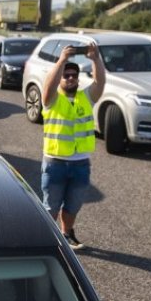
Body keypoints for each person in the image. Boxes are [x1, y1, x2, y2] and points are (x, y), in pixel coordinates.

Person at [39, 43, 106, 250]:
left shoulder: (85, 98)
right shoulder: (52, 99)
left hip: (80, 164)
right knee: (51, 206)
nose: (70, 78)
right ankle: (48, 238)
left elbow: (100, 82)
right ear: (60, 77)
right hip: (55, 162)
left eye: (73, 76)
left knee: (73, 205)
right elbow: (47, 88)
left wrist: (95, 59)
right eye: (66, 75)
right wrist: (62, 60)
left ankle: (67, 233)